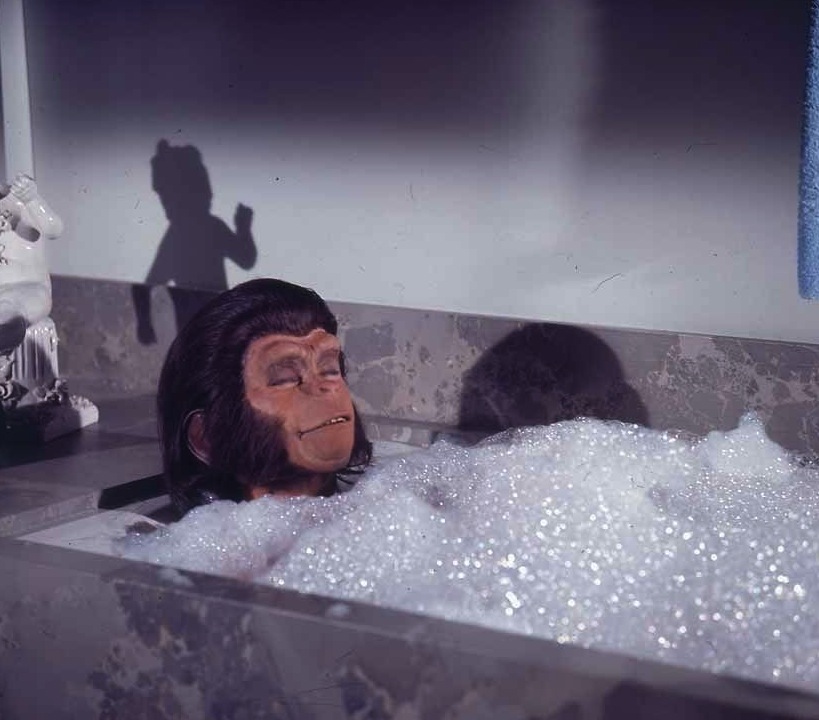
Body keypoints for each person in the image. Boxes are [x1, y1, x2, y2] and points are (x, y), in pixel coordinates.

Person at [157, 278, 372, 516]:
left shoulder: (384, 503)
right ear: (206, 437)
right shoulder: (190, 538)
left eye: (330, 369)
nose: (326, 387)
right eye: (285, 378)